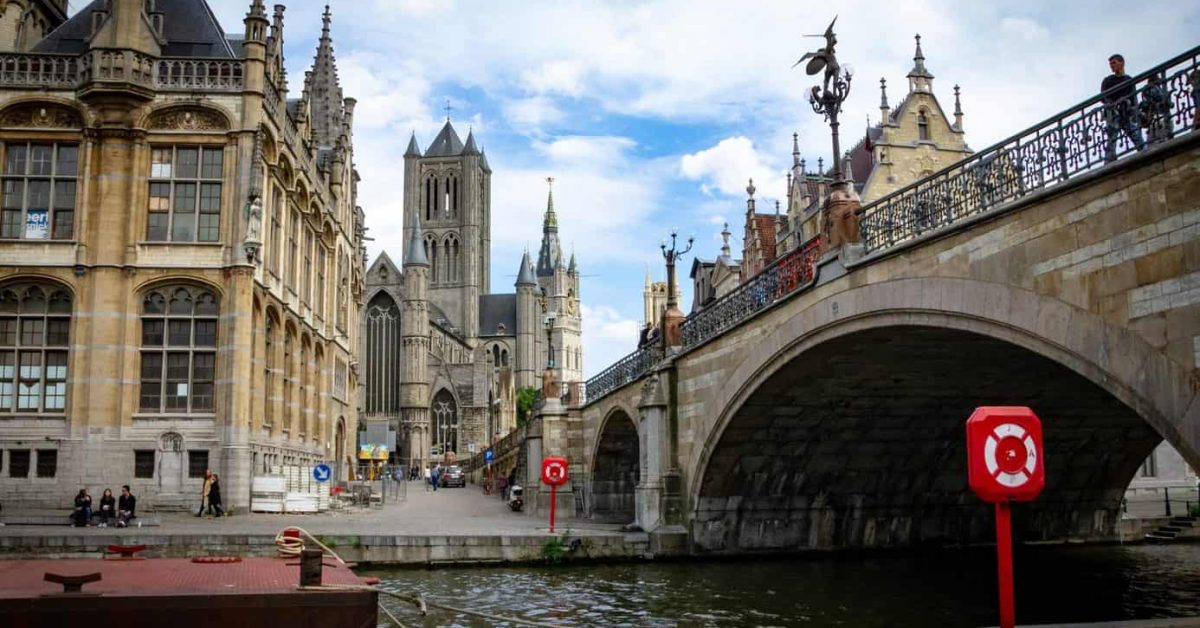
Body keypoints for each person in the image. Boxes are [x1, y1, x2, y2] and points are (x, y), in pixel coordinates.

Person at [1101, 54, 1145, 161]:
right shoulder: (1108, 80)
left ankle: (1145, 152)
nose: (1111, 66)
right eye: (1110, 64)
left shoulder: (1129, 80)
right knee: (1112, 138)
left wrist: (1135, 111)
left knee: (1135, 134)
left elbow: (1133, 99)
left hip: (1125, 113)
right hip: (1113, 114)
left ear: (1122, 63)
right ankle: (1109, 161)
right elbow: (1103, 98)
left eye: (1114, 63)